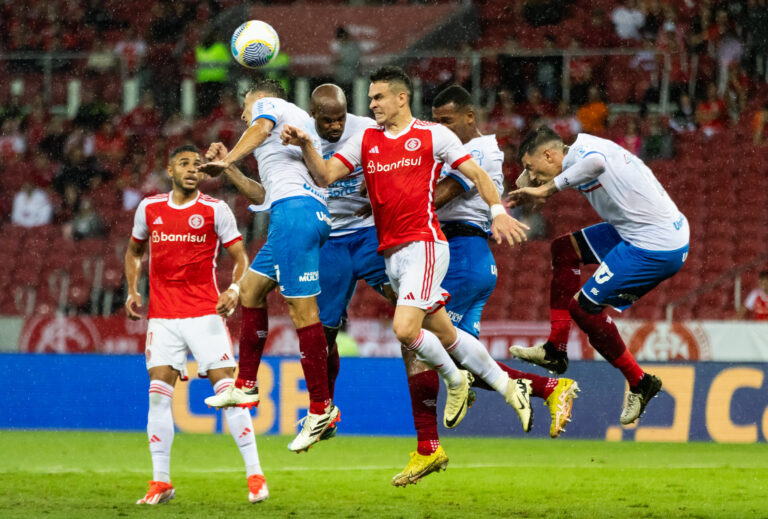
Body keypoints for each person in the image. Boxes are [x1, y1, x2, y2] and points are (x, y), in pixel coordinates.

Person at [282, 66, 534, 438]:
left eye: (378, 97)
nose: (372, 104)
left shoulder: (434, 135)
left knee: (404, 328)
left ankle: (453, 378)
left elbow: (477, 175)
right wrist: (305, 143)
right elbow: (325, 176)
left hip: (425, 244)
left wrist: (497, 212)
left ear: (402, 98)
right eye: (370, 99)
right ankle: (514, 388)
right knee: (446, 335)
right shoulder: (366, 140)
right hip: (391, 253)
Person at [390, 86, 580, 487]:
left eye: (448, 121)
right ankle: (549, 389)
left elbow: (439, 198)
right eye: (437, 120)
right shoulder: (452, 148)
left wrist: (394, 201)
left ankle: (428, 447)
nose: (441, 128)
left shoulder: (478, 152)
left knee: (416, 342)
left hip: (460, 252)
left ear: (469, 117)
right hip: (469, 257)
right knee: (464, 361)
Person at [509, 126, 689, 425]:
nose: (531, 174)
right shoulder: (574, 151)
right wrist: (529, 178)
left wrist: (545, 188)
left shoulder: (585, 155)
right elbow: (542, 175)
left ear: (549, 154)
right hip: (634, 228)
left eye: (531, 166)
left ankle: (641, 382)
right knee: (564, 250)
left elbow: (596, 165)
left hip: (655, 243)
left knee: (583, 308)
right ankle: (555, 349)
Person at [200, 79, 339, 454]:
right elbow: (263, 194)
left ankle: (321, 408)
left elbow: (258, 127)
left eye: (244, 108)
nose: (244, 115)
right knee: (250, 289)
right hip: (292, 212)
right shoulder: (287, 134)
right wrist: (228, 169)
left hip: (296, 215)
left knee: (302, 311)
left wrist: (227, 158)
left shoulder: (270, 109)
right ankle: (245, 383)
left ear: (257, 99)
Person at [125, 145, 268, 505]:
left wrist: (234, 288)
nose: (192, 169)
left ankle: (255, 476)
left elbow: (240, 256)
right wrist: (131, 290)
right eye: (184, 164)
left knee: (228, 392)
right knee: (157, 396)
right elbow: (134, 251)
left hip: (205, 313)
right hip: (163, 317)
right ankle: (161, 482)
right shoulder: (150, 208)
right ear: (170, 170)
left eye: (197, 165)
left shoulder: (215, 210)